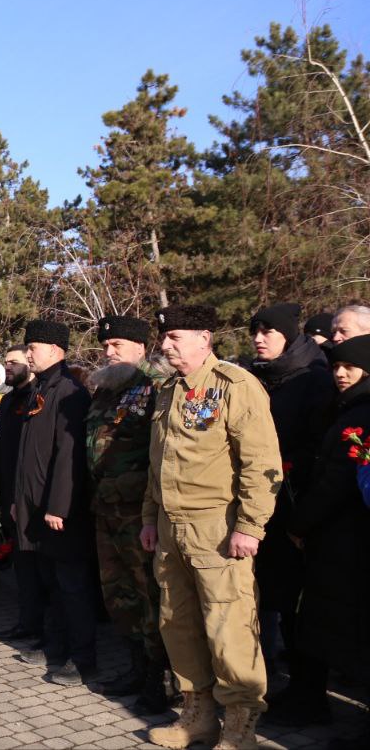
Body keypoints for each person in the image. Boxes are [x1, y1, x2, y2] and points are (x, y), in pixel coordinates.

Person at [140, 305, 282, 750]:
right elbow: (157, 464)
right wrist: (149, 518)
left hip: (217, 528)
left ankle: (240, 728)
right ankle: (197, 716)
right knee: (178, 623)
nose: (165, 345)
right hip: (170, 528)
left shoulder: (235, 386)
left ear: (204, 338)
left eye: (175, 337)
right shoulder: (168, 389)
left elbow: (262, 463)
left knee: (229, 626)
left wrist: (251, 526)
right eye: (164, 337)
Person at [245, 303, 335, 712]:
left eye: (268, 332)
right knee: (271, 598)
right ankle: (270, 681)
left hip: (297, 507)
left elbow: (320, 445)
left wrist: (285, 465)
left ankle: (308, 694)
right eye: (255, 331)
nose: (258, 339)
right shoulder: (257, 376)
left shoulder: (313, 378)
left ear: (289, 335)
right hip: (263, 505)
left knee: (297, 606)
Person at [285, 334, 370, 740]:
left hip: (348, 539)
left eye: (350, 366)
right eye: (336, 366)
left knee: (351, 630)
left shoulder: (362, 414)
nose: (340, 373)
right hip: (337, 538)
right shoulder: (345, 406)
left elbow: (337, 481)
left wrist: (299, 523)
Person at [86, 315, 169, 712]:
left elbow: (163, 449)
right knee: (119, 593)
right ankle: (137, 666)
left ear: (140, 346)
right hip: (105, 507)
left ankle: (160, 679)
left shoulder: (157, 386)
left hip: (139, 511)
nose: (109, 351)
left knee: (149, 592)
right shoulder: (106, 388)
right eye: (106, 345)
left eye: (117, 344)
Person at [12, 320, 96, 687]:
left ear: (55, 350)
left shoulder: (69, 391)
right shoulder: (40, 387)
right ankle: (55, 648)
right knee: (51, 583)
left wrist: (59, 506)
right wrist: (19, 501)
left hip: (60, 511)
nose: (28, 353)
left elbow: (69, 454)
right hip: (34, 505)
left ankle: (82, 658)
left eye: (33, 347)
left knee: (72, 587)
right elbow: (27, 454)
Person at [0, 345, 43, 645]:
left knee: (37, 567)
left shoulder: (38, 396)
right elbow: (1, 448)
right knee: (22, 566)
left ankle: (40, 626)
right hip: (9, 492)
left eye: (14, 362)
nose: (8, 366)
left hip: (32, 496)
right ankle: (27, 621)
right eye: (5, 362)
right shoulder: (9, 400)